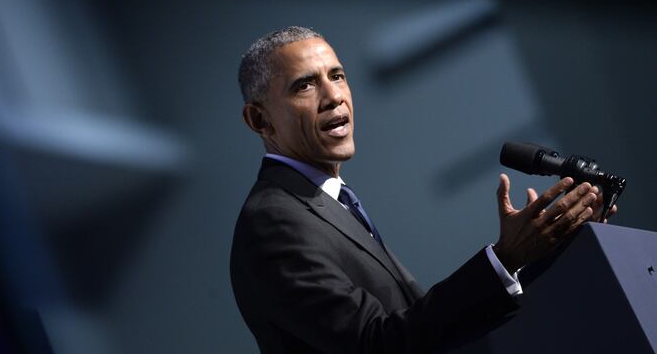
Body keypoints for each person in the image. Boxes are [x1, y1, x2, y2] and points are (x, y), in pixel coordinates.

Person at [229, 26, 616, 354]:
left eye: (338, 75)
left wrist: (539, 251)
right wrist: (504, 257)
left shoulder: (330, 203)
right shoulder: (273, 220)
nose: (334, 96)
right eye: (306, 85)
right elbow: (377, 343)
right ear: (259, 119)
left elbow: (432, 330)